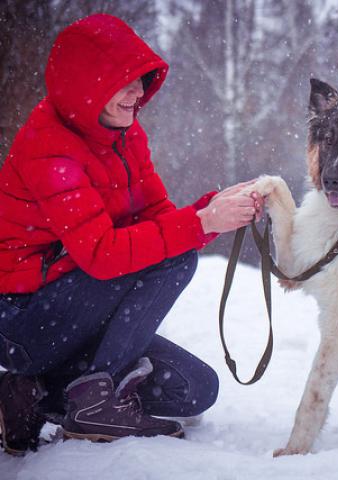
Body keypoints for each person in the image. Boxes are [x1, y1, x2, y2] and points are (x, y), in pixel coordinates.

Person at [0, 13, 263, 455]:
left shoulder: (125, 134)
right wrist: (200, 224)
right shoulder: (48, 149)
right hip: (26, 322)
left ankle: (31, 393)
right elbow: (102, 254)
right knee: (174, 255)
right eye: (124, 82)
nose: (138, 93)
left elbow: (158, 216)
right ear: (88, 84)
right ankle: (91, 403)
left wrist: (214, 210)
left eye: (141, 80)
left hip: (77, 311)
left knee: (195, 389)